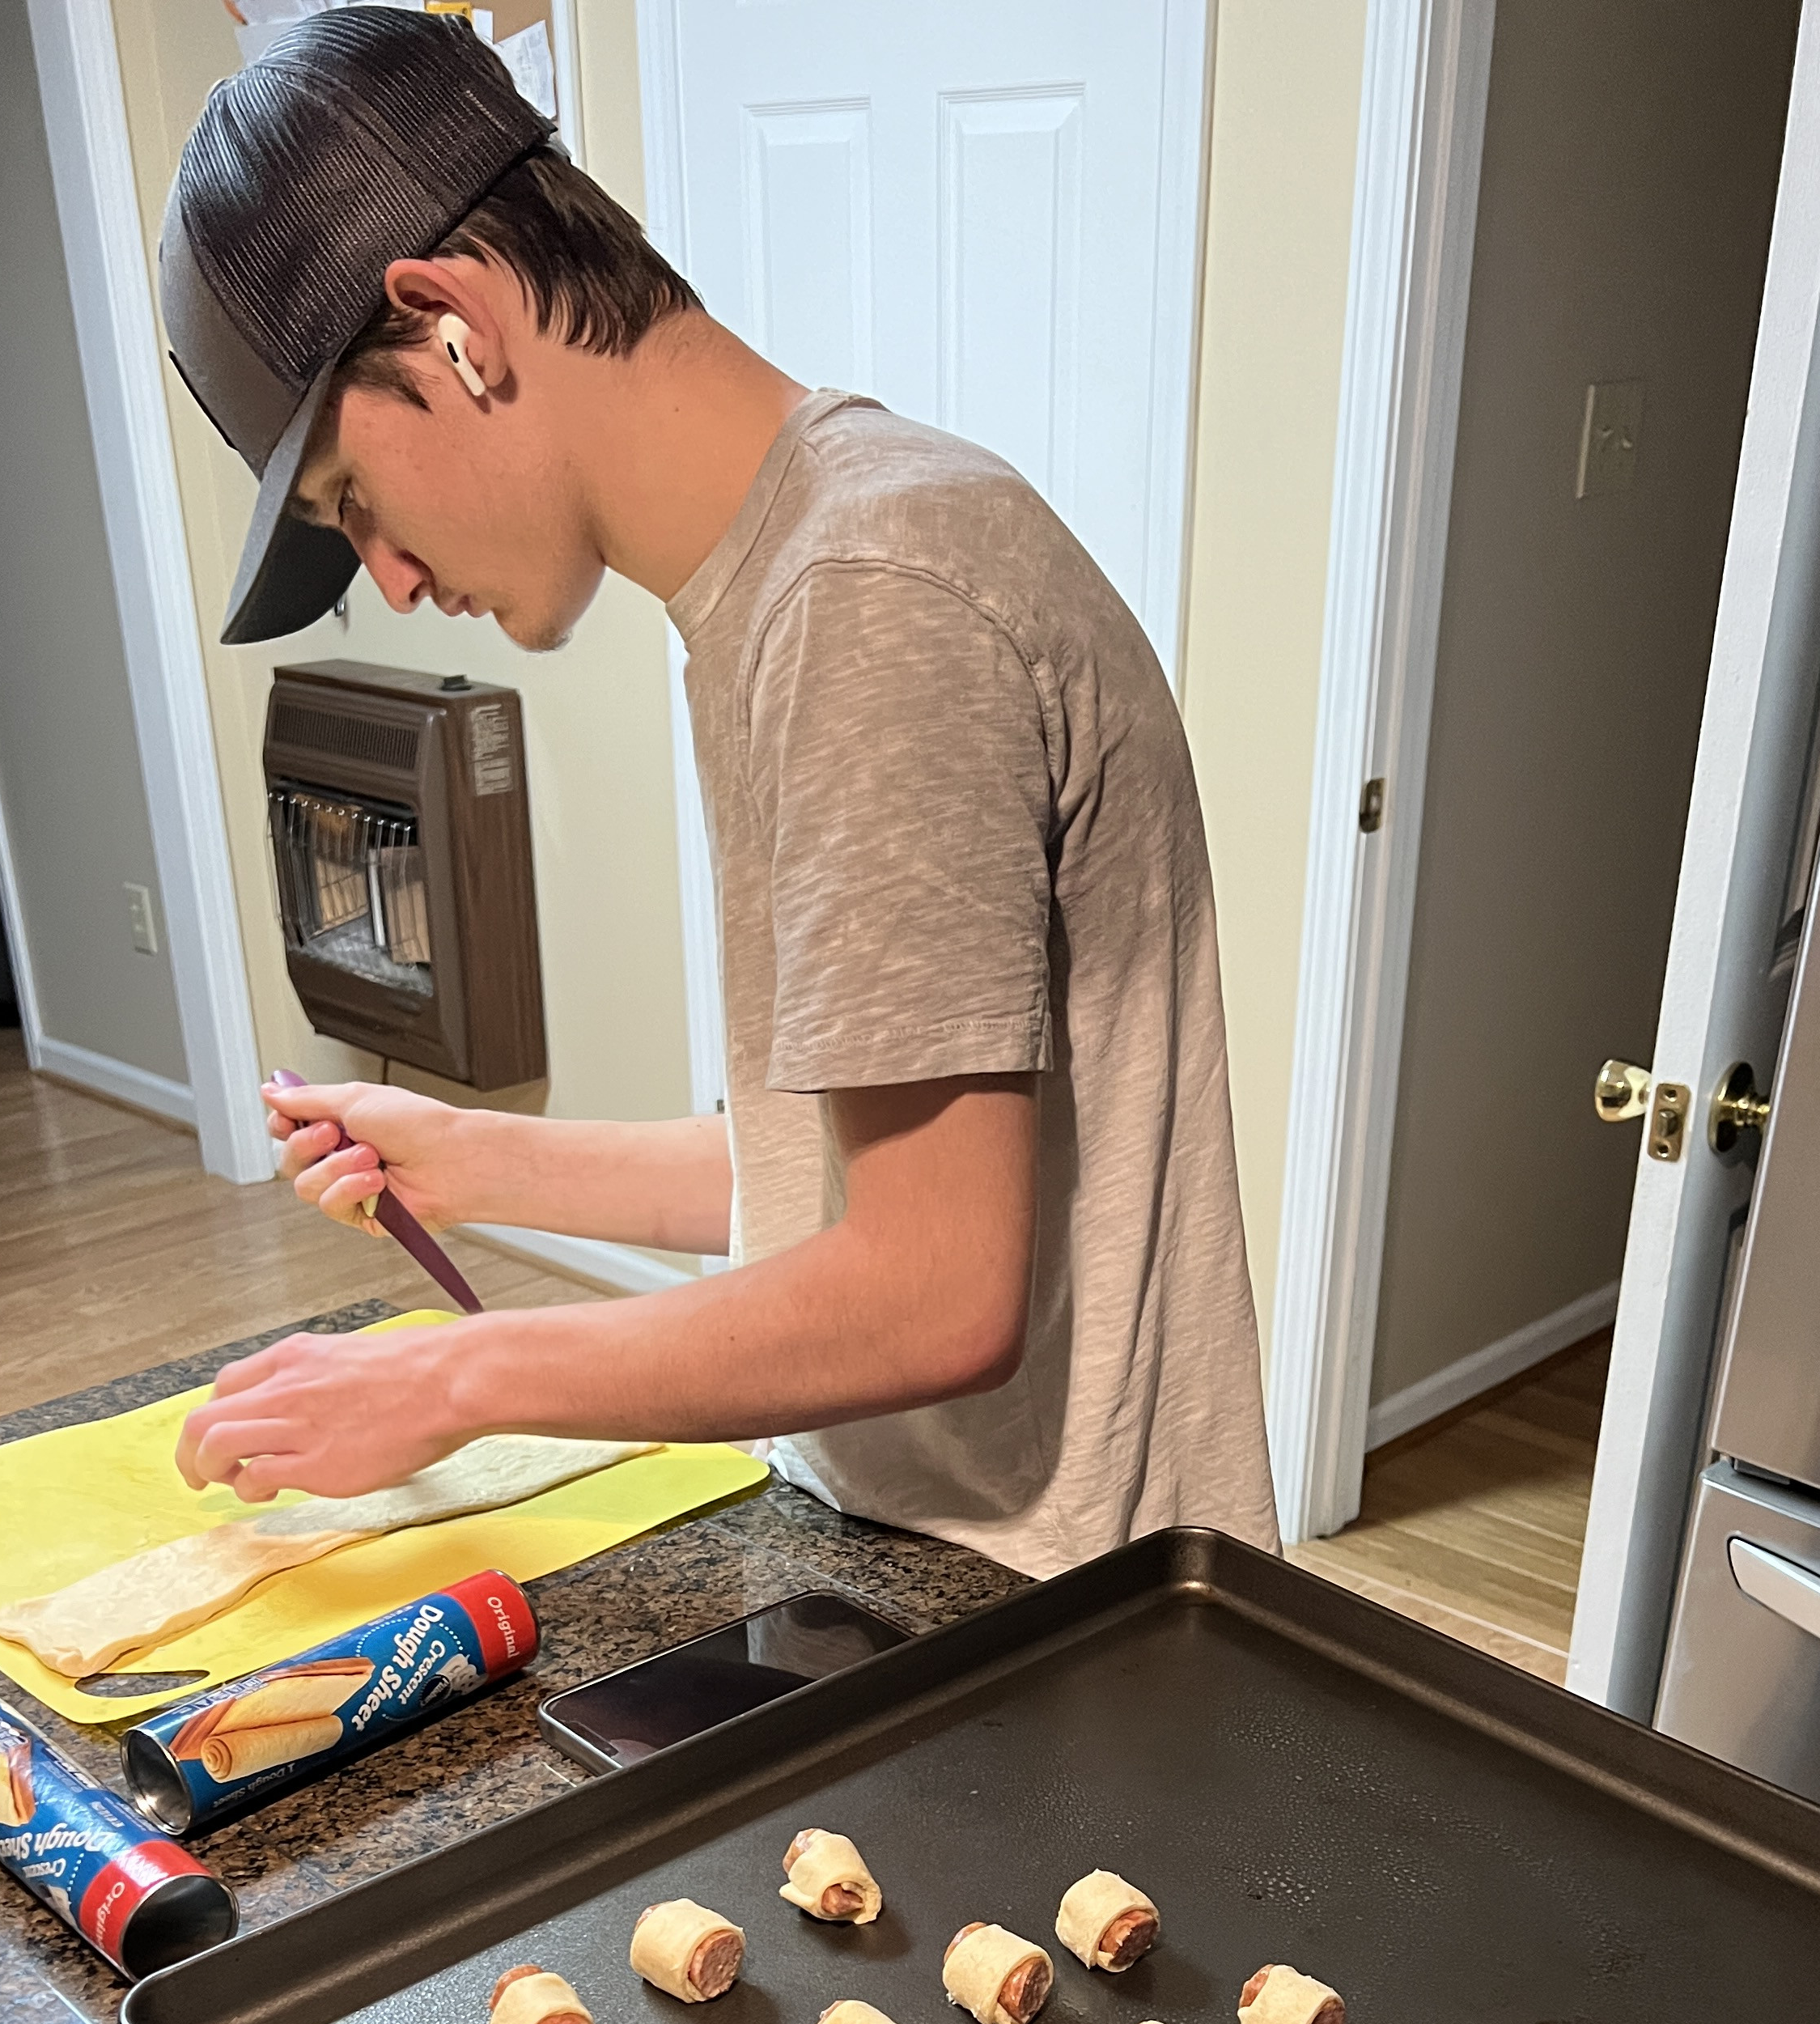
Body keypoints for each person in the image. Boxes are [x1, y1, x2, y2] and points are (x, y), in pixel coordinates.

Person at [159, 13, 1277, 1575]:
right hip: (930, 1554)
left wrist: (455, 1378)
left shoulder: (869, 599)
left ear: (453, 324)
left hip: (1045, 1608)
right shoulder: (810, 565)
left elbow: (929, 1289)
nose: (391, 580)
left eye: (353, 499)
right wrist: (480, 1160)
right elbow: (849, 1172)